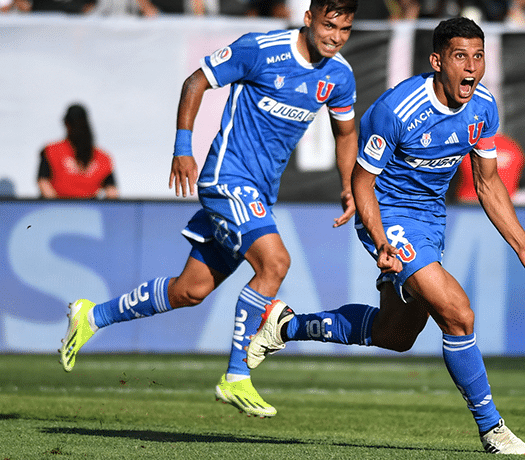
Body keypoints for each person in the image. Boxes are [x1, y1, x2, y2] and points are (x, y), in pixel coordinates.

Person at [246, 17, 525, 454]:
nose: (471, 67)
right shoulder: (399, 109)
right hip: (387, 215)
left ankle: (285, 324)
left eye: (478, 56)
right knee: (457, 313)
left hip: (430, 220)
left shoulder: (483, 107)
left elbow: (487, 184)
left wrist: (523, 245)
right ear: (437, 61)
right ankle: (492, 427)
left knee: (395, 335)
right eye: (460, 56)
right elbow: (362, 182)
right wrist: (381, 240)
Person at [58, 0, 359, 419]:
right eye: (329, 26)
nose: (335, 37)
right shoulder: (260, 49)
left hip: (259, 192)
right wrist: (184, 147)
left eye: (344, 30)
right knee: (275, 262)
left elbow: (346, 132)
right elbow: (195, 81)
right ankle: (236, 376)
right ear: (308, 19)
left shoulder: (339, 76)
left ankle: (91, 315)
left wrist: (349, 185)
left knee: (190, 290)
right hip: (226, 179)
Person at [38, 104, 119, 200]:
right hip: (83, 208)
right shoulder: (103, 158)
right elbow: (112, 192)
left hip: (62, 208)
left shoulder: (52, 151)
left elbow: (43, 182)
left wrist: (57, 206)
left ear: (67, 124)